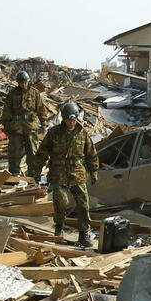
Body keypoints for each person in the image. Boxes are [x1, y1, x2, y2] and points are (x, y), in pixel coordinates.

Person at [35, 102, 98, 247]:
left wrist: (94, 171)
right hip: (59, 174)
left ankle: (84, 234)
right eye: (69, 120)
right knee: (60, 203)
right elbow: (42, 153)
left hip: (77, 173)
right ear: (63, 118)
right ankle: (59, 228)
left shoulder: (83, 133)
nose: (71, 122)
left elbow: (91, 154)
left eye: (74, 119)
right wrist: (37, 170)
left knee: (83, 204)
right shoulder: (53, 133)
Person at [1, 70, 47, 180]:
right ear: (18, 82)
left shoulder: (34, 93)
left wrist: (44, 123)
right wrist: (6, 126)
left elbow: (41, 109)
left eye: (25, 82)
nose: (24, 84)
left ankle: (34, 173)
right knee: (14, 151)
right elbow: (7, 111)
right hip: (16, 128)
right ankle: (14, 173)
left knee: (32, 152)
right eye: (21, 82)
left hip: (30, 127)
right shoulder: (12, 94)